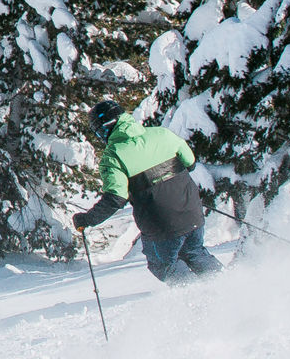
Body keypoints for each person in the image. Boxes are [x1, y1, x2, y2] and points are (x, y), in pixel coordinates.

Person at [71, 100, 223, 284]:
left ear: (105, 128)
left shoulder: (113, 156)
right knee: (195, 252)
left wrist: (87, 219)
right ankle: (225, 285)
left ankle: (198, 296)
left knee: (163, 265)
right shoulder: (162, 133)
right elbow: (190, 163)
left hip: (161, 224)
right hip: (191, 211)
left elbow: (115, 198)